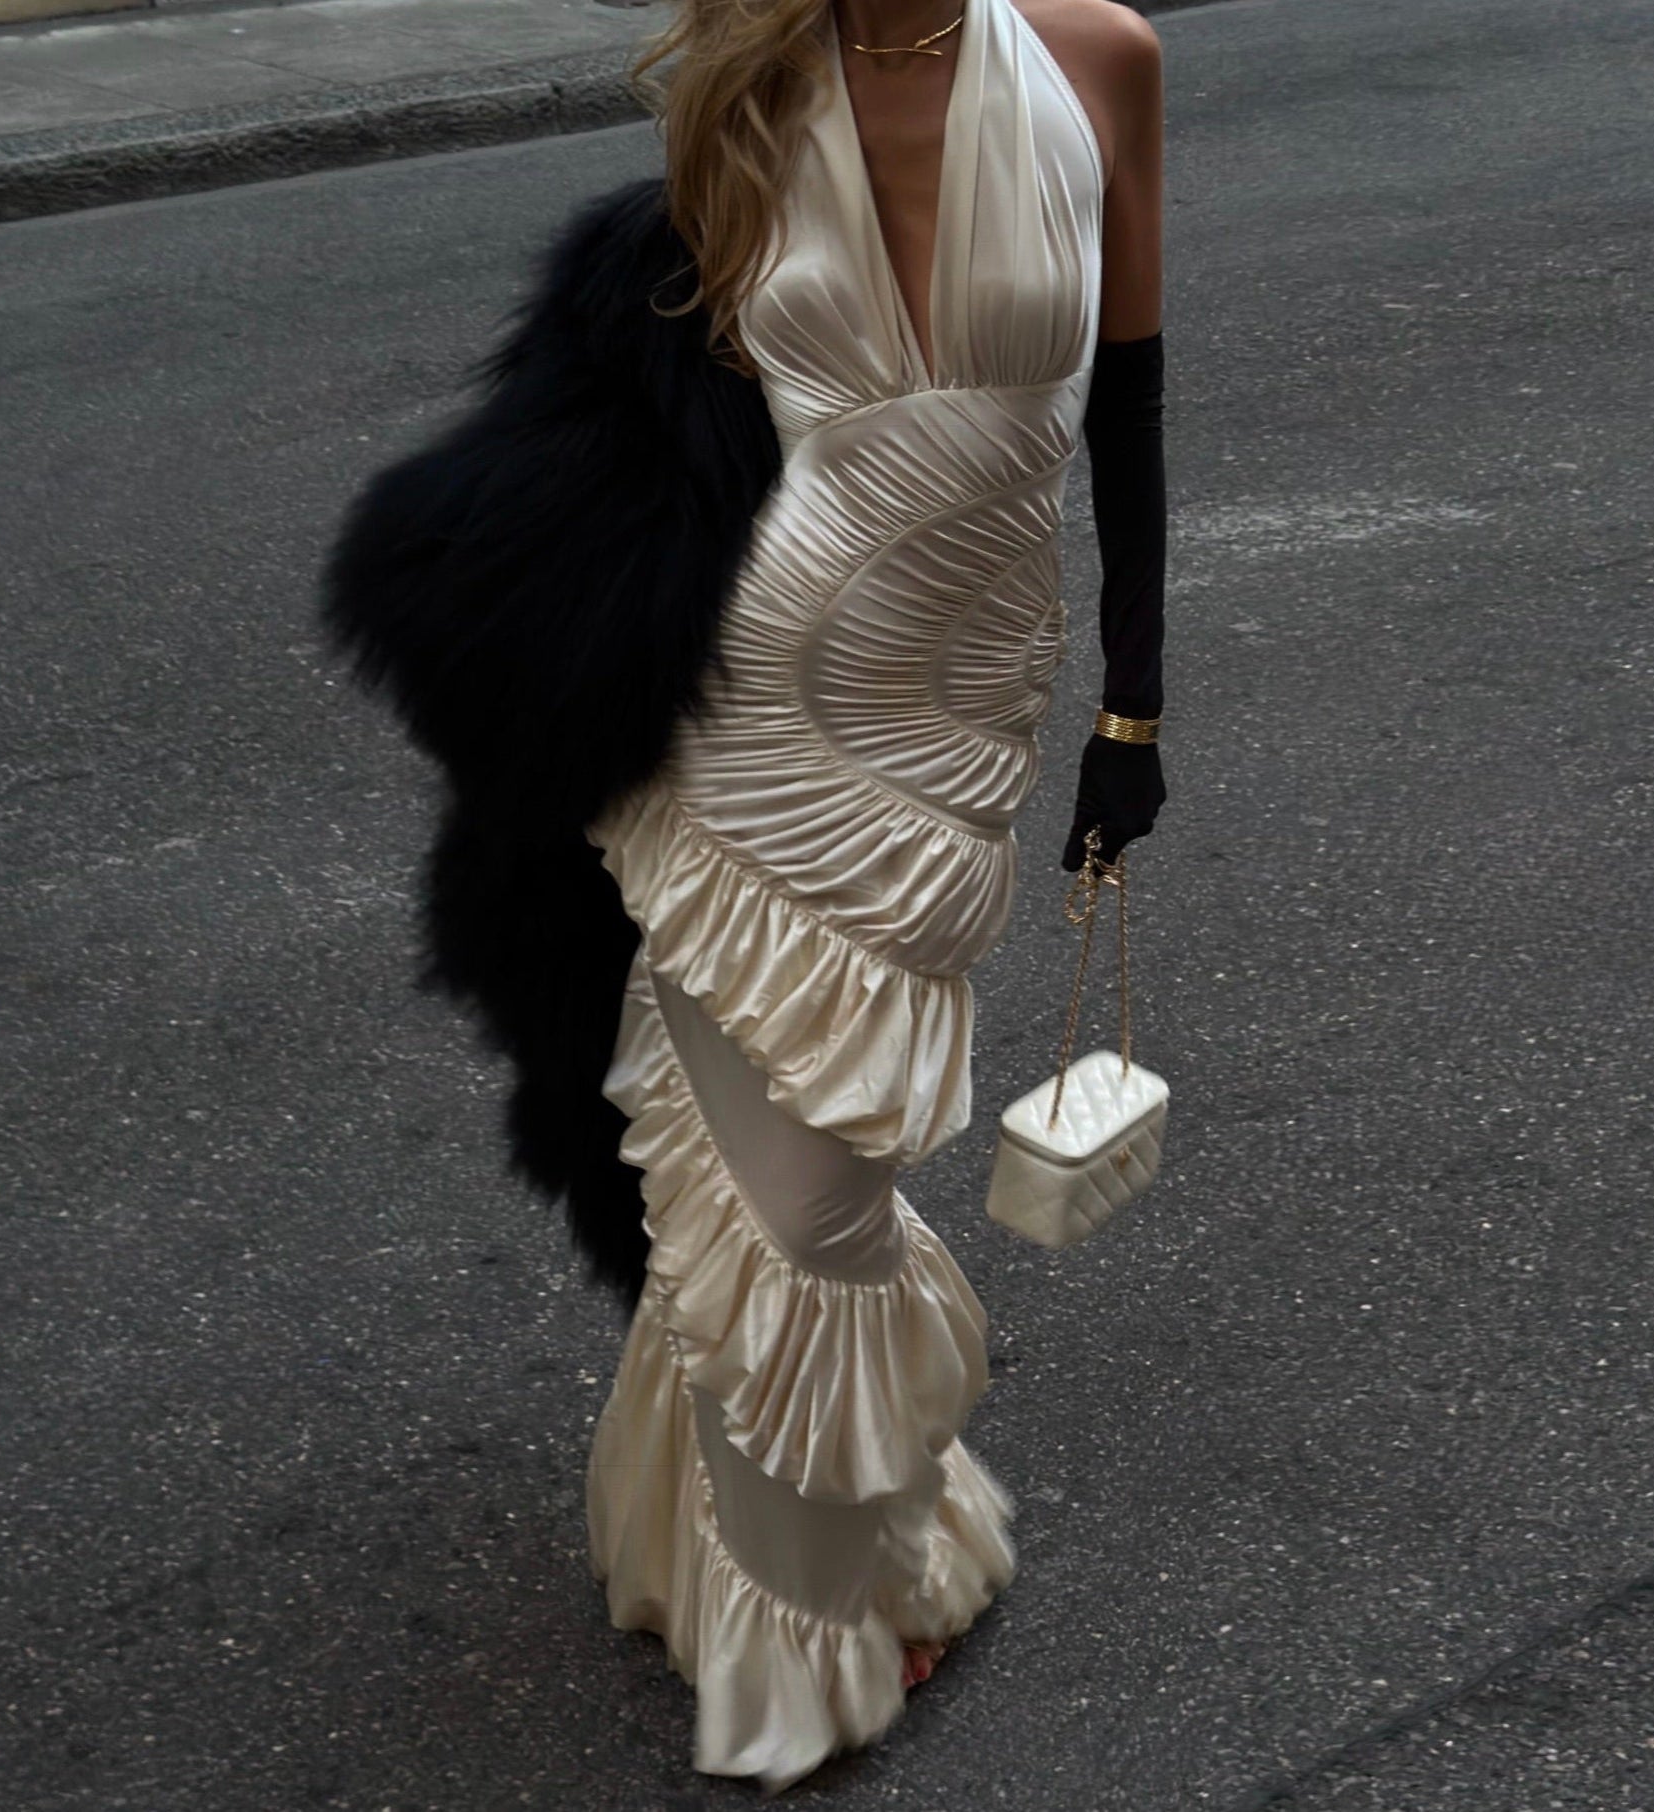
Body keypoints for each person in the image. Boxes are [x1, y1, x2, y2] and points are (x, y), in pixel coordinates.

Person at [578, 0, 1168, 1789]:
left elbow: (1133, 408)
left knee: (829, 1150)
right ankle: (804, 1622)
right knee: (807, 1195)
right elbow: (675, 424)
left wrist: (1134, 709)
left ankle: (807, 1506)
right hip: (752, 699)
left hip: (963, 706)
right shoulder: (742, 91)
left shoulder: (1101, 59)